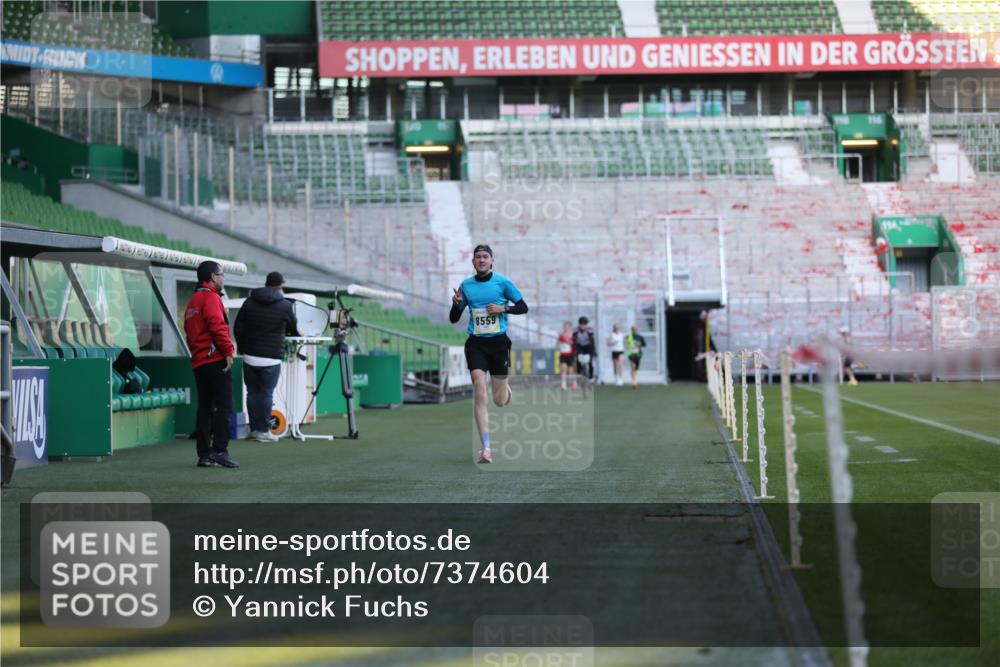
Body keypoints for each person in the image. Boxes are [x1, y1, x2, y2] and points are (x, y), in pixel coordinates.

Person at [450, 244, 529, 463]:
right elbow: (454, 318)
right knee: (479, 388)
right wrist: (456, 305)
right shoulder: (466, 286)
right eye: (478, 257)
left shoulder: (503, 283)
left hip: (499, 344)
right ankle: (486, 448)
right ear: (473, 262)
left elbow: (523, 307)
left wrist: (503, 308)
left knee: (500, 401)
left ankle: (506, 391)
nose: (481, 260)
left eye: (485, 256)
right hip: (476, 344)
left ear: (492, 260)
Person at [184, 261, 239, 468]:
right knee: (224, 407)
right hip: (215, 359)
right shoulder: (211, 297)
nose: (223, 278)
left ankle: (205, 454)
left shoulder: (193, 300)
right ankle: (220, 451)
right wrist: (228, 352)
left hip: (199, 361)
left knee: (205, 408)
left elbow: (189, 331)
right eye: (221, 275)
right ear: (213, 277)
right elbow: (218, 327)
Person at [234, 271, 299, 442]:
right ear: (280, 286)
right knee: (266, 394)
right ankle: (263, 431)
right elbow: (293, 328)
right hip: (271, 357)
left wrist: (242, 348)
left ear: (265, 284)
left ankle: (254, 429)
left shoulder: (249, 302)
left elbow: (238, 328)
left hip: (250, 356)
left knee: (252, 393)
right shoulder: (285, 305)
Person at [572, 317, 596, 387]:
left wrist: (593, 351)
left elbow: (592, 341)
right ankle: (578, 378)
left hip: (588, 347)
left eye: (584, 324)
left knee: (590, 363)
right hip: (579, 346)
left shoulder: (589, 330)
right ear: (579, 324)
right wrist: (575, 351)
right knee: (578, 362)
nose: (583, 326)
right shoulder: (575, 330)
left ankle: (591, 380)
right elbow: (574, 341)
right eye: (581, 324)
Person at [626, 324, 646, 389]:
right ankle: (633, 381)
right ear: (631, 330)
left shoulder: (640, 337)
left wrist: (639, 344)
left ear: (637, 330)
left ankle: (634, 378)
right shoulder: (629, 337)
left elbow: (644, 344)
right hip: (631, 354)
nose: (634, 331)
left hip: (638, 354)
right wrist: (628, 345)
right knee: (633, 367)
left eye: (635, 329)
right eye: (633, 329)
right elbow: (626, 344)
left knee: (636, 368)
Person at [557, 321, 575, 391]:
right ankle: (563, 385)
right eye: (565, 327)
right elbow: (558, 343)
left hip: (570, 355)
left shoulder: (572, 335)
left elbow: (573, 343)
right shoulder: (561, 335)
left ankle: (573, 383)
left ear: (570, 327)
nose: (566, 328)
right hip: (563, 355)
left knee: (570, 371)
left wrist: (567, 341)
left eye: (567, 327)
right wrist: (558, 346)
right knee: (563, 369)